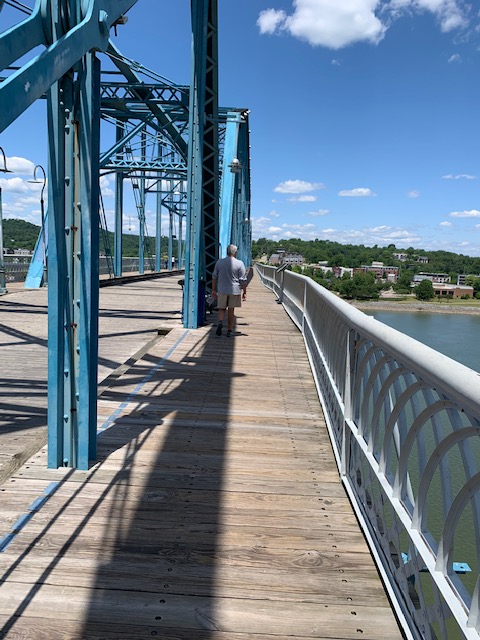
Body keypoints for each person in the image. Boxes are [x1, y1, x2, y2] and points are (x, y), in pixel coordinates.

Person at [211, 244, 247, 337]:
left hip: (222, 289)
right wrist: (244, 292)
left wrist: (213, 289)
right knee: (231, 310)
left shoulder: (219, 262)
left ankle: (220, 322)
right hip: (234, 290)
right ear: (235, 252)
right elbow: (243, 280)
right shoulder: (240, 263)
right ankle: (229, 330)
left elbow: (214, 276)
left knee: (222, 308)